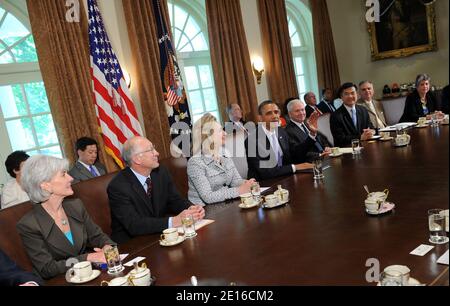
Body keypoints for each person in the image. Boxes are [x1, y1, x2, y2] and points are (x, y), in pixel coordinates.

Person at [17, 155, 114, 279]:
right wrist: (87, 257)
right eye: (63, 174)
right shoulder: (29, 224)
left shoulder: (75, 206)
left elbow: (98, 237)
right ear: (45, 185)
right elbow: (47, 268)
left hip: (89, 275)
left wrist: (107, 248)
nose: (71, 178)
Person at [107, 136, 205, 244]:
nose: (157, 153)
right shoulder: (118, 187)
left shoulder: (160, 172)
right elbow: (134, 224)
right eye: (151, 150)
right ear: (137, 159)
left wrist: (191, 209)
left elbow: (174, 200)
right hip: (132, 244)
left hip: (159, 235)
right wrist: (174, 221)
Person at [187, 113, 256, 205]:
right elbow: (208, 196)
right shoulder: (195, 163)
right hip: (204, 210)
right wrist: (239, 191)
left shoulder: (224, 153)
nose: (225, 133)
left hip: (226, 203)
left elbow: (235, 181)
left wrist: (247, 183)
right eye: (220, 131)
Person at [245, 100, 312, 181]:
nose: (275, 116)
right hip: (264, 183)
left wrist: (318, 155)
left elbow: (294, 153)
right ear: (260, 118)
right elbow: (265, 172)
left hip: (285, 177)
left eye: (276, 112)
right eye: (269, 113)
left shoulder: (281, 131)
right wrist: (295, 167)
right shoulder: (252, 140)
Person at [330, 83, 375, 147]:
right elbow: (340, 138)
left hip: (365, 146)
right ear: (341, 97)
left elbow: (370, 127)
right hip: (347, 150)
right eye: (346, 94)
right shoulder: (335, 115)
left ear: (357, 94)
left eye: (352, 93)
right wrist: (360, 137)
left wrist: (371, 132)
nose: (350, 96)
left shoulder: (363, 110)